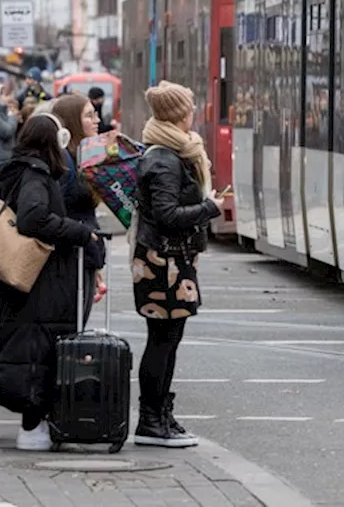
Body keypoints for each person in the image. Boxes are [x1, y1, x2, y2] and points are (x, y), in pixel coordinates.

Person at [0, 113, 102, 451]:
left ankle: (35, 423)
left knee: (29, 344)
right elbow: (32, 218)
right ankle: (32, 425)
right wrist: (81, 233)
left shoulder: (22, 169)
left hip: (27, 274)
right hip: (42, 277)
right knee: (40, 346)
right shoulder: (36, 175)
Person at [133, 81, 223, 448]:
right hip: (163, 260)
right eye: (189, 108)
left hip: (170, 258)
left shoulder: (168, 154)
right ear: (179, 114)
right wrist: (208, 208)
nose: (193, 113)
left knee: (167, 340)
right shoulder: (164, 160)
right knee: (162, 340)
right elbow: (167, 214)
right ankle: (151, 420)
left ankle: (159, 416)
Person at [53, 93, 108, 322]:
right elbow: (61, 210)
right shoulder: (64, 160)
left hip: (82, 255)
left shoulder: (79, 155)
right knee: (70, 328)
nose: (96, 120)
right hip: (69, 258)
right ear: (72, 121)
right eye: (88, 115)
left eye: (95, 114)